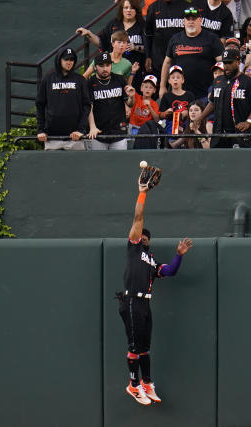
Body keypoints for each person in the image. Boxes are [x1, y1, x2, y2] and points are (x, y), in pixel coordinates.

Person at [119, 175, 193, 405]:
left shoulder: (150, 261)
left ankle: (146, 383)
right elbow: (138, 216)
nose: (143, 236)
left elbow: (169, 271)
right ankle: (133, 385)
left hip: (144, 304)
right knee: (134, 346)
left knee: (144, 348)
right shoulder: (133, 248)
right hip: (131, 300)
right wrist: (143, 192)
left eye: (145, 236)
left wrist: (178, 256)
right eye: (141, 234)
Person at [201, 48, 251, 148]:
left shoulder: (247, 81)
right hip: (218, 132)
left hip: (239, 132)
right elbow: (212, 102)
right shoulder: (218, 81)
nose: (226, 66)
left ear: (238, 62)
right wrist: (201, 118)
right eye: (224, 63)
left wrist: (248, 121)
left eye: (229, 63)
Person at [76, 0, 145, 88]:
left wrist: (135, 47)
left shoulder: (142, 25)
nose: (129, 10)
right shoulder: (114, 23)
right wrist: (89, 34)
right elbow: (102, 43)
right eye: (126, 8)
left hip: (134, 68)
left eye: (132, 8)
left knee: (129, 90)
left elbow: (150, 47)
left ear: (136, 10)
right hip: (113, 66)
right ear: (121, 9)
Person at [160, 7, 224, 100]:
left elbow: (222, 63)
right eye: (188, 19)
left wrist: (217, 86)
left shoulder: (212, 38)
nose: (191, 21)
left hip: (205, 93)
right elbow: (167, 63)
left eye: (194, 19)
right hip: (180, 93)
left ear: (200, 20)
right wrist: (162, 86)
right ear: (184, 21)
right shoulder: (175, 39)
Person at [36, 47, 91, 150]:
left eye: (71, 59)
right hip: (52, 137)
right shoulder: (48, 79)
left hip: (75, 138)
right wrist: (40, 130)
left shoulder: (80, 80)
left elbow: (86, 106)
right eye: (66, 59)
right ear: (59, 60)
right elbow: (40, 105)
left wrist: (81, 130)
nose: (69, 62)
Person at [87, 52, 137, 150]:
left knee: (119, 163)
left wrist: (131, 97)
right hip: (98, 133)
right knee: (99, 164)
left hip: (118, 132)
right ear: (95, 67)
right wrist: (92, 127)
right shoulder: (90, 83)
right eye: (101, 66)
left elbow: (130, 104)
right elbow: (89, 106)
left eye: (108, 65)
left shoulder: (119, 80)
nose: (105, 69)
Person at [159, 65, 196, 135]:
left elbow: (195, 110)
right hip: (171, 123)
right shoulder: (166, 96)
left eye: (178, 77)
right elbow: (160, 115)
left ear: (183, 80)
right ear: (169, 81)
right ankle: (174, 141)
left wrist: (188, 112)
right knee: (171, 127)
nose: (175, 79)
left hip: (187, 122)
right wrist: (165, 113)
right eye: (173, 77)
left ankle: (184, 138)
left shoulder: (189, 95)